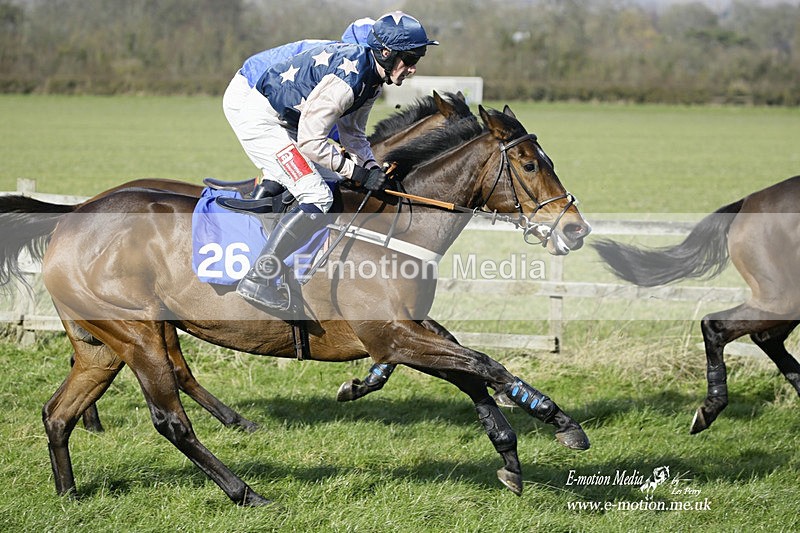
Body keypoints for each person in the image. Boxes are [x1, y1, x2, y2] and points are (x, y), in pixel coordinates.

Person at [233, 11, 438, 311]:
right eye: (409, 59)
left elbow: (352, 134)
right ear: (386, 53)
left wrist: (371, 168)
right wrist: (358, 172)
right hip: (262, 121)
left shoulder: (373, 79)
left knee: (333, 185)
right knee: (317, 195)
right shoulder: (350, 79)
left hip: (286, 121)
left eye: (416, 60)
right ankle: (258, 279)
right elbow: (311, 141)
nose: (413, 68)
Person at [222, 18, 375, 198]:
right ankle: (251, 214)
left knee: (328, 179)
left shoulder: (344, 59)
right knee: (287, 175)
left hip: (279, 104)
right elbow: (319, 119)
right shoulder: (343, 63)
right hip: (249, 93)